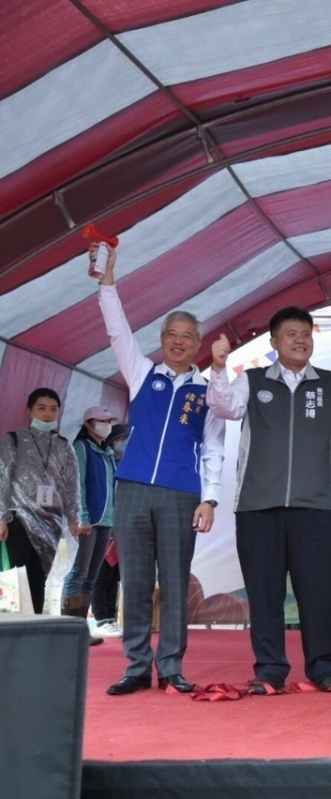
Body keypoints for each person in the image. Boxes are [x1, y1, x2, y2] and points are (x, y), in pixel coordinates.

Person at [95, 242, 225, 696]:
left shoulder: (207, 391)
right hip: (132, 488)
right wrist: (108, 286)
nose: (178, 341)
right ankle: (136, 666)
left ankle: (170, 666)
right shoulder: (141, 373)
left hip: (179, 493)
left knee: (173, 581)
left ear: (197, 345)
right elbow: (117, 334)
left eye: (187, 336)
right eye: (172, 333)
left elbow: (213, 449)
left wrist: (209, 499)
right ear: (162, 338)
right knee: (133, 579)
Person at [208, 307, 331, 694]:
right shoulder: (251, 380)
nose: (300, 339)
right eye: (291, 334)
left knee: (319, 592)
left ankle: (324, 668)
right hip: (259, 505)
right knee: (265, 592)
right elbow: (224, 407)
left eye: (306, 333)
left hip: (317, 507)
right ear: (274, 343)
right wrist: (220, 368)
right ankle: (270, 669)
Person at [0, 388, 87, 615]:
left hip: (51, 521)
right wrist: (1, 518)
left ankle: (34, 627)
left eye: (53, 409)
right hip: (17, 519)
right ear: (29, 411)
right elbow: (2, 479)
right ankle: (12, 631)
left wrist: (74, 518)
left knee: (39, 577)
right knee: (16, 578)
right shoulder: (13, 440)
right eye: (41, 408)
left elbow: (72, 485)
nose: (48, 414)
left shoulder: (64, 445)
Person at [62, 405, 120, 646]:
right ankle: (68, 631)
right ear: (88, 424)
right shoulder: (81, 448)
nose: (106, 424)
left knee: (92, 575)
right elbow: (78, 486)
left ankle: (81, 630)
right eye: (101, 420)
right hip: (89, 520)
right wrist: (81, 516)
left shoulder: (106, 452)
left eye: (109, 420)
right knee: (79, 573)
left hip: (105, 521)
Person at [92, 424, 128, 639]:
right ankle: (100, 618)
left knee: (114, 576)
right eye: (120, 438)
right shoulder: (105, 463)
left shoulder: (125, 465)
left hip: (121, 527)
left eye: (126, 438)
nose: (123, 443)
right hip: (104, 524)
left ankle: (111, 618)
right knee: (101, 575)